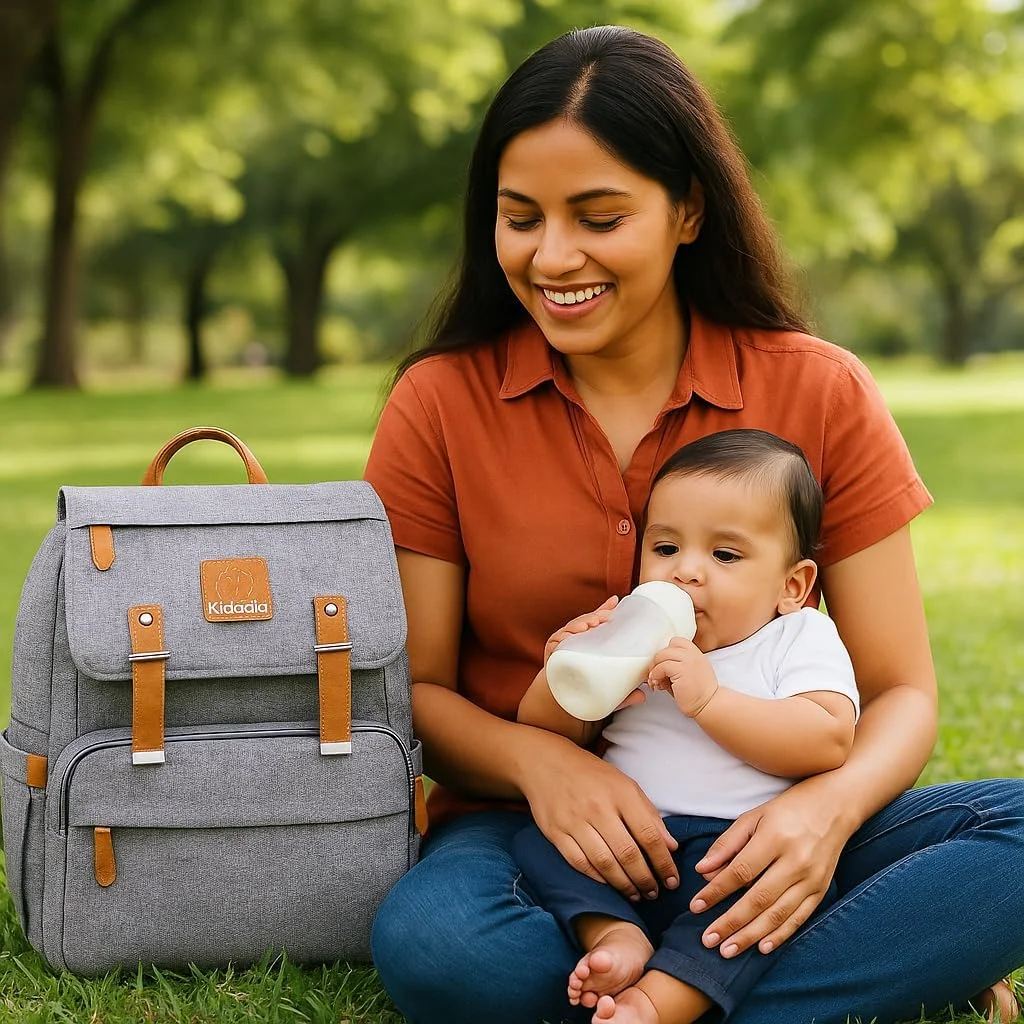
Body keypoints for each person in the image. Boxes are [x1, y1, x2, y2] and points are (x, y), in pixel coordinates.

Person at [364, 23, 1024, 1024]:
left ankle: (661, 999)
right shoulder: (438, 404)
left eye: (597, 216)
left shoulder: (820, 389)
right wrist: (544, 765)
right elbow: (419, 694)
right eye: (519, 217)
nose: (552, 256)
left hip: (772, 823)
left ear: (686, 212)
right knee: (444, 952)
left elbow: (900, 693)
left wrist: (823, 813)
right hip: (537, 844)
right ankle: (785, 971)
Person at [514, 429, 860, 1024]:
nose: (686, 573)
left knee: (763, 901)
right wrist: (563, 671)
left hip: (730, 852)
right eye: (666, 548)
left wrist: (711, 701)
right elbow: (540, 728)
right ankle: (616, 937)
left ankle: (657, 1003)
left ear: (792, 586)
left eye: (725, 555)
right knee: (533, 841)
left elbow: (827, 736)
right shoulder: (635, 632)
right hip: (621, 843)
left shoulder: (796, 637)